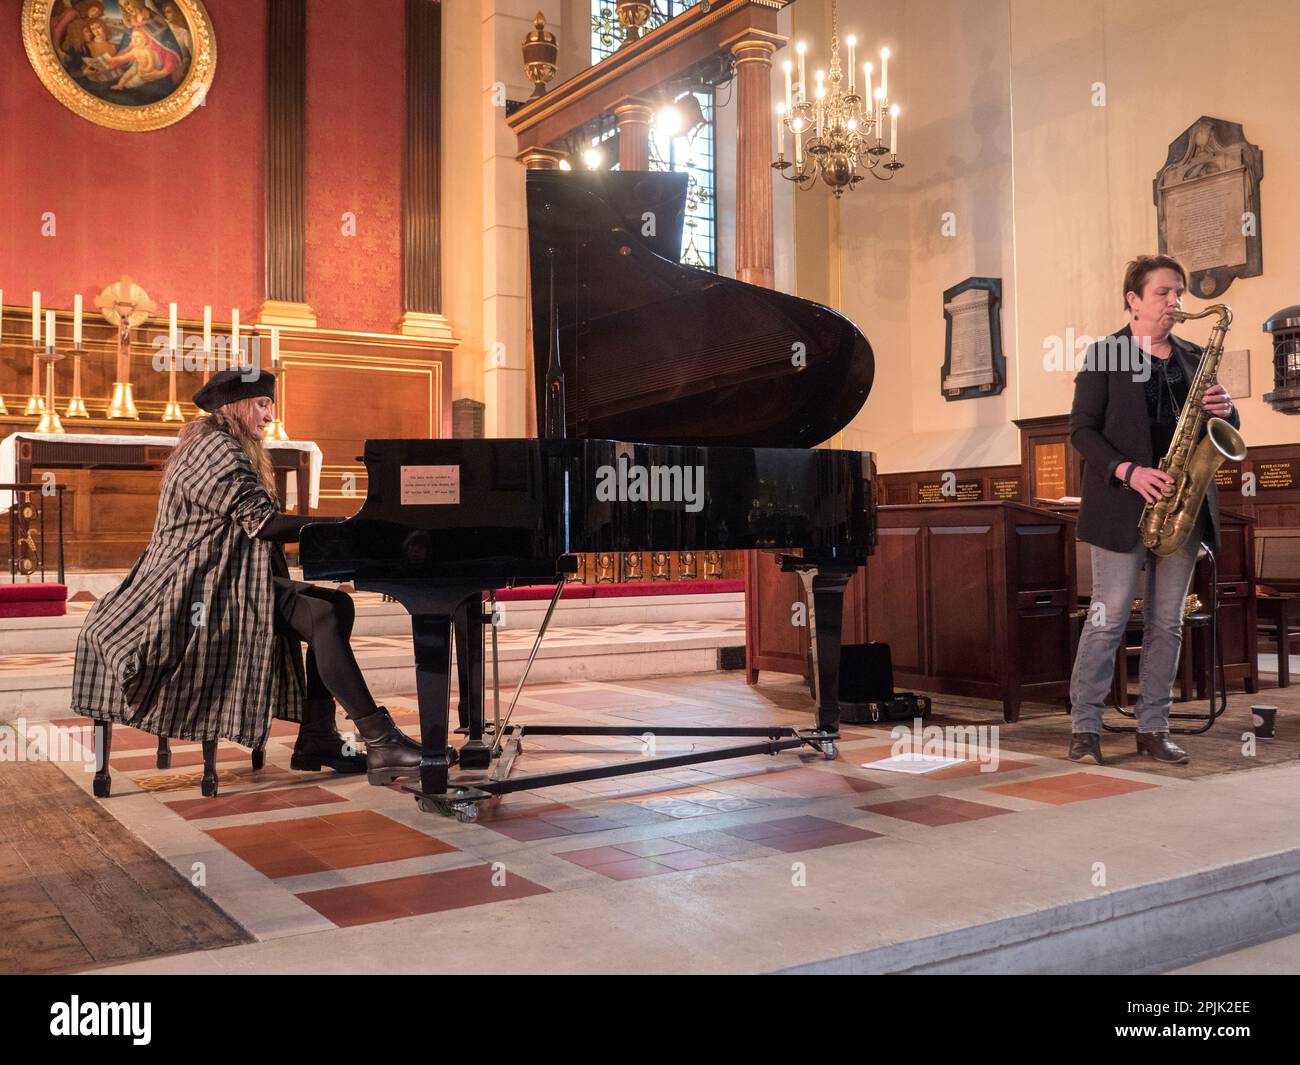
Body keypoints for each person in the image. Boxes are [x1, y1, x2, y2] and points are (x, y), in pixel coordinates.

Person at [71, 368, 423, 784]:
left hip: (225, 576)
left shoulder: (223, 444)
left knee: (337, 604)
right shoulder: (214, 449)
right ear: (233, 407)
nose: (269, 415)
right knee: (323, 615)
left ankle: (318, 737)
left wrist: (348, 531)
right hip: (192, 587)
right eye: (261, 404)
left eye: (270, 404)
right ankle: (379, 740)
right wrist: (351, 526)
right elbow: (264, 523)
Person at [1067, 254, 1240, 765]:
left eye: (1179, 293)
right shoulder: (1105, 355)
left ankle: (1154, 727)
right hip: (1123, 505)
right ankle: (1085, 729)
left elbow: (1218, 431)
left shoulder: (1191, 356)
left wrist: (1228, 410)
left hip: (1181, 508)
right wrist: (1129, 471)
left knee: (1168, 622)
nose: (1175, 303)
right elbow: (1081, 430)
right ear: (1133, 299)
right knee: (1108, 617)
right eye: (1164, 293)